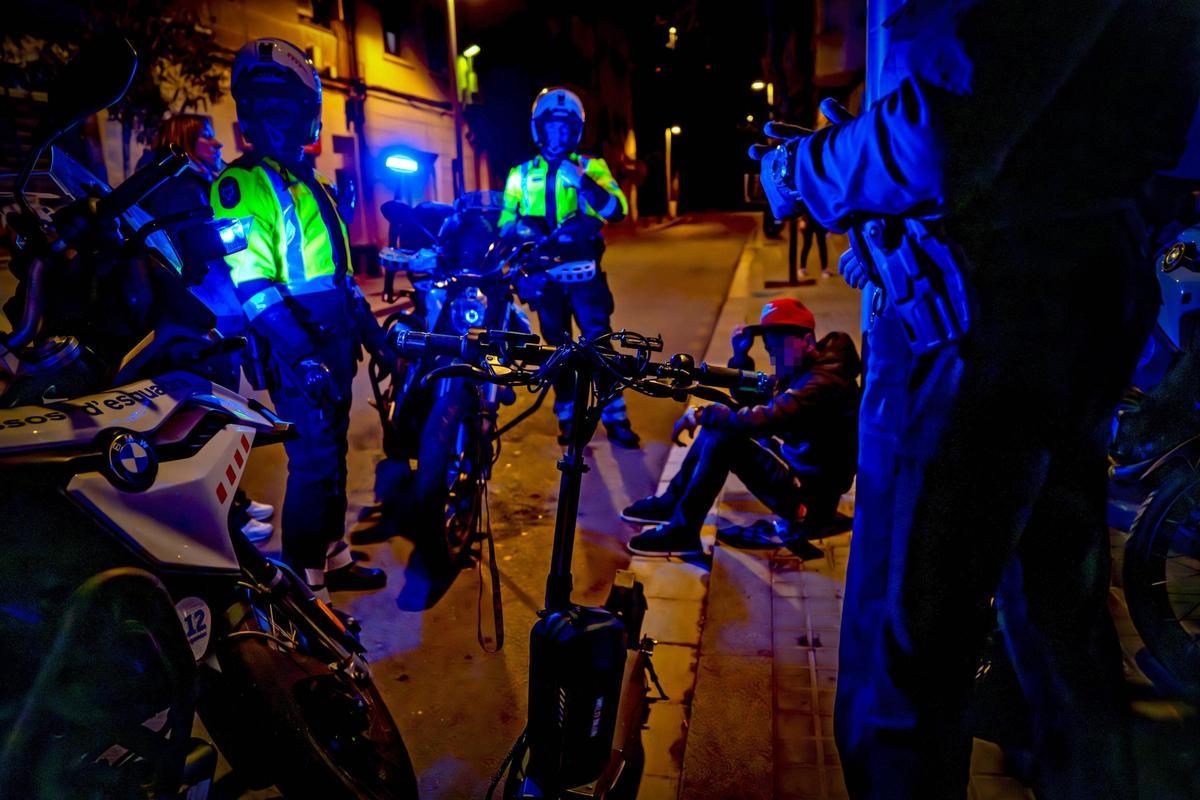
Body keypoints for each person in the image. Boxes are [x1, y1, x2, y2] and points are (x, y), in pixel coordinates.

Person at [753, 2, 1200, 798]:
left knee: (903, 670)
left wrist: (804, 170)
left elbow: (937, 137)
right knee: (1059, 635)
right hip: (1073, 293)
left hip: (964, 328)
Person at [210, 38, 385, 595]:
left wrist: (377, 338)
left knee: (331, 458)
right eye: (269, 110)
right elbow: (255, 289)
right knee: (311, 465)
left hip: (332, 341)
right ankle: (308, 594)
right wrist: (303, 356)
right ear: (251, 117)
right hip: (297, 350)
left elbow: (339, 278)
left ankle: (332, 556)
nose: (279, 122)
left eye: (287, 108)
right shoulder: (242, 187)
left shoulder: (311, 183)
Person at [621, 298, 860, 556]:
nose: (772, 352)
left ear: (808, 341)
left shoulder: (821, 384)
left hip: (809, 498)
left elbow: (761, 419)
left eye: (779, 344)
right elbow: (755, 394)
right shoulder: (807, 369)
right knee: (721, 427)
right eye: (769, 345)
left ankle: (683, 532)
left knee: (724, 437)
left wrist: (701, 414)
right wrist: (740, 356)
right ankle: (671, 504)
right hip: (799, 471)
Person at [139, 113, 275, 544]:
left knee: (217, 416)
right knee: (209, 422)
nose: (217, 145)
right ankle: (224, 522)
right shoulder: (176, 186)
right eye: (207, 138)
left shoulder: (182, 180)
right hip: (201, 319)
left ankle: (235, 501)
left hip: (209, 314)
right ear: (184, 140)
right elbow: (191, 252)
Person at [499, 86, 639, 448]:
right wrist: (520, 234)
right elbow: (504, 224)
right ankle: (567, 418)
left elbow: (617, 210)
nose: (558, 133)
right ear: (540, 129)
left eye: (566, 127)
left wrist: (582, 182)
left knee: (600, 345)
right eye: (552, 127)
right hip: (545, 278)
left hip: (585, 276)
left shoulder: (592, 167)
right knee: (557, 349)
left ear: (575, 130)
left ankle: (616, 417)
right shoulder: (520, 173)